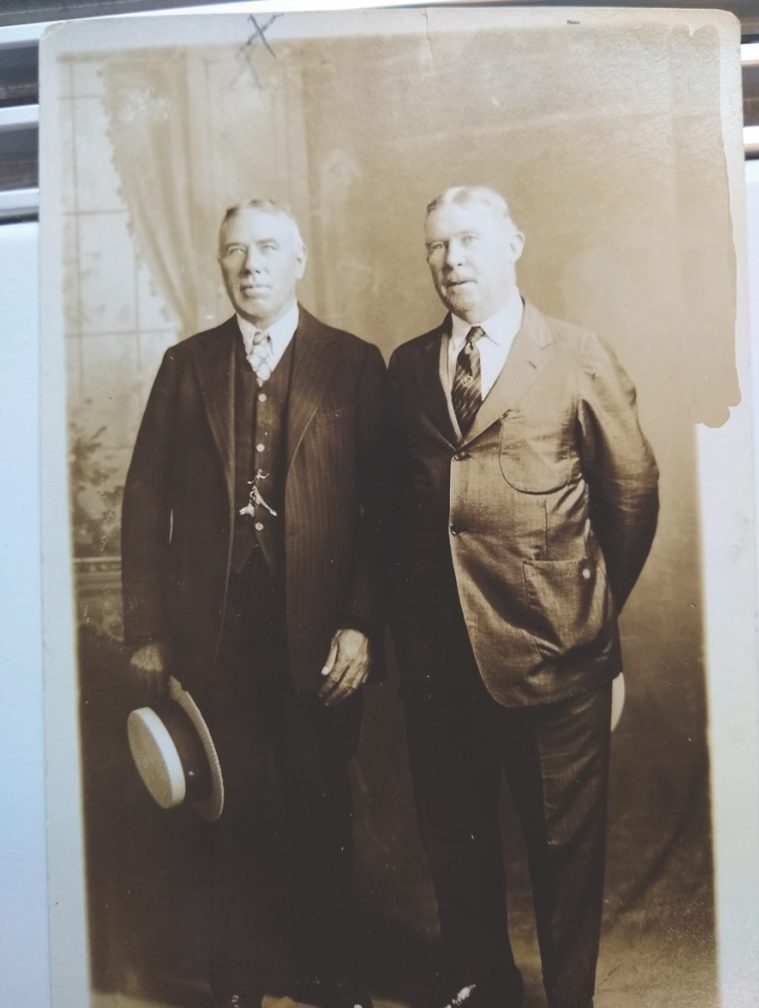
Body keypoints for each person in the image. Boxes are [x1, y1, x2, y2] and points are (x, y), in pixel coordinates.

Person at [388, 186, 659, 1008]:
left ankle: (567, 996)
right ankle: (478, 980)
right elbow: (396, 513)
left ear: (514, 245)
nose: (451, 260)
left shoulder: (576, 353)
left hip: (555, 659)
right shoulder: (407, 366)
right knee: (454, 840)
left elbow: (633, 497)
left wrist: (584, 609)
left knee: (562, 855)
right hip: (440, 661)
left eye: (468, 241)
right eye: (436, 246)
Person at [121, 199, 388, 1008]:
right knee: (228, 812)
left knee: (319, 805)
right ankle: (237, 982)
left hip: (319, 631)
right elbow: (143, 502)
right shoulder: (187, 365)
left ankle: (327, 980)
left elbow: (386, 509)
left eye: (268, 249)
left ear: (300, 260)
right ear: (220, 266)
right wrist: (146, 630)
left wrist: (361, 623)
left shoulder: (353, 362)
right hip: (213, 632)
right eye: (234, 252)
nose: (250, 265)